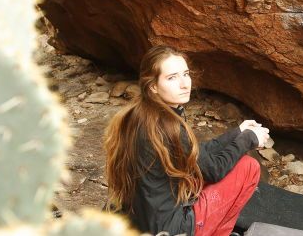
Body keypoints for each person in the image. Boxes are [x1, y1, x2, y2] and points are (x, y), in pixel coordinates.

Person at [104, 45, 270, 236]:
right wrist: (249, 139)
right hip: (168, 228)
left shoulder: (139, 113)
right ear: (153, 86)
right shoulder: (167, 125)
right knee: (247, 167)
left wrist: (237, 132)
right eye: (172, 77)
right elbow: (214, 170)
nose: (184, 84)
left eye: (185, 74)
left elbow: (195, 153)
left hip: (142, 218)